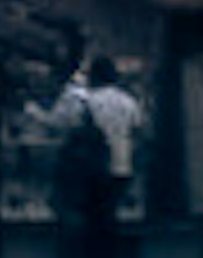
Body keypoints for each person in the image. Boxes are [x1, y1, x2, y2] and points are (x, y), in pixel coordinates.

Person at [48, 57, 144, 258]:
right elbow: (137, 132)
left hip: (90, 169)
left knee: (86, 217)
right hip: (121, 167)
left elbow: (58, 124)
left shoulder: (84, 101)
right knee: (109, 215)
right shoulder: (128, 101)